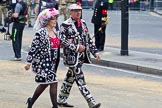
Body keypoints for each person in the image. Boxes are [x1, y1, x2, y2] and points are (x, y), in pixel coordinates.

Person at [57, 4, 101, 108]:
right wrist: (76, 47)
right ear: (70, 12)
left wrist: (95, 52)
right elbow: (62, 41)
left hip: (81, 57)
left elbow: (88, 40)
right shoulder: (65, 25)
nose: (78, 13)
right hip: (71, 58)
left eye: (79, 11)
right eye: (75, 11)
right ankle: (91, 101)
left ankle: (61, 99)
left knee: (70, 78)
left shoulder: (83, 23)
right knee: (80, 78)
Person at [24, 8, 60, 108]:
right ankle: (55, 106)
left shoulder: (56, 32)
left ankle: (31, 102)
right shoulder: (40, 33)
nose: (55, 20)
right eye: (53, 18)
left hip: (52, 63)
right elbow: (33, 48)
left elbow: (60, 45)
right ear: (47, 21)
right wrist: (28, 63)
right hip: (43, 63)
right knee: (53, 82)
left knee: (45, 83)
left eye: (56, 18)